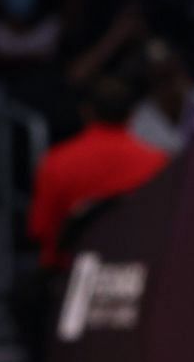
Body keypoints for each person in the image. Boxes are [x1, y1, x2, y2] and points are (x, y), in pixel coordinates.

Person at [27, 78, 171, 273]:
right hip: (137, 273)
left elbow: (41, 230)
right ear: (132, 114)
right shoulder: (159, 163)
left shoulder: (57, 162)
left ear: (87, 111)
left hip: (69, 277)